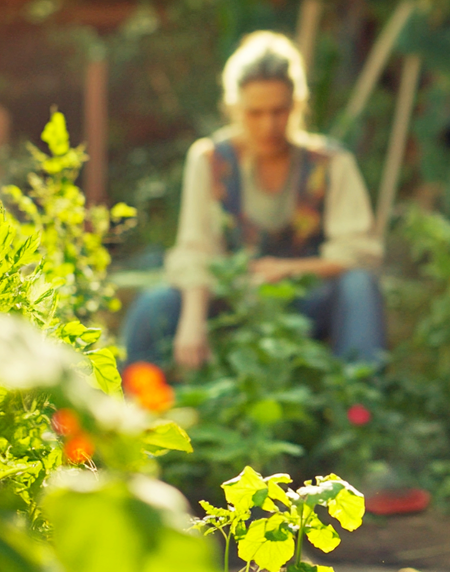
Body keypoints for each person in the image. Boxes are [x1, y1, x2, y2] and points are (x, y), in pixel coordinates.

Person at [122, 31, 385, 370]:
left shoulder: (331, 163)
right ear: (234, 108)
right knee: (153, 306)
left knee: (359, 286)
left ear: (297, 105)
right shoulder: (209, 160)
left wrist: (289, 270)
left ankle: (361, 402)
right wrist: (192, 319)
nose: (268, 125)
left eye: (279, 111)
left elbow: (359, 251)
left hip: (305, 303)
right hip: (232, 301)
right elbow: (196, 249)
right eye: (255, 113)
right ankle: (133, 411)